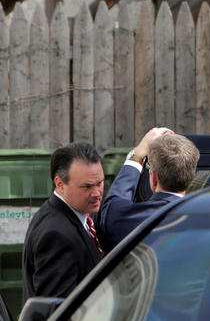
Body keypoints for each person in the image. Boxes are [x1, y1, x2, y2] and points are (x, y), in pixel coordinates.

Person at [23, 142, 105, 302]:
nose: (96, 193)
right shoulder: (55, 235)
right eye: (87, 186)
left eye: (100, 183)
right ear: (60, 184)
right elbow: (57, 311)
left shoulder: (75, 214)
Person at [100, 127, 200, 247]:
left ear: (153, 178)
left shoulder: (130, 219)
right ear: (192, 177)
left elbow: (112, 209)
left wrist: (137, 155)